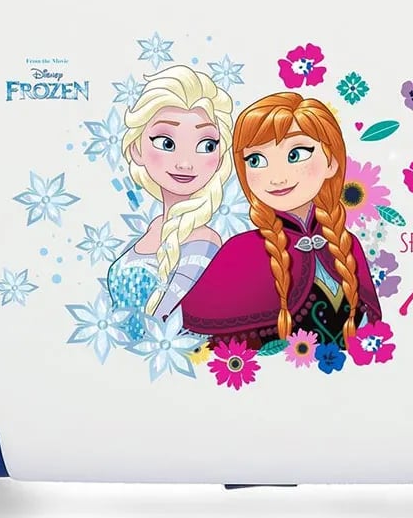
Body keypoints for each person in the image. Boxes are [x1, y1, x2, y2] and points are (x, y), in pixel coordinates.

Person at [180, 91, 381, 347]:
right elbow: (208, 348)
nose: (276, 177)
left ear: (331, 162)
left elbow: (371, 336)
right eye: (256, 160)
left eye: (296, 154)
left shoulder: (347, 244)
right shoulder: (240, 252)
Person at [106, 65, 233, 329]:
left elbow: (168, 326)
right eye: (166, 143)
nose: (185, 163)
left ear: (220, 156)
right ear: (136, 149)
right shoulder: (155, 226)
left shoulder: (204, 243)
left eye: (206, 145)